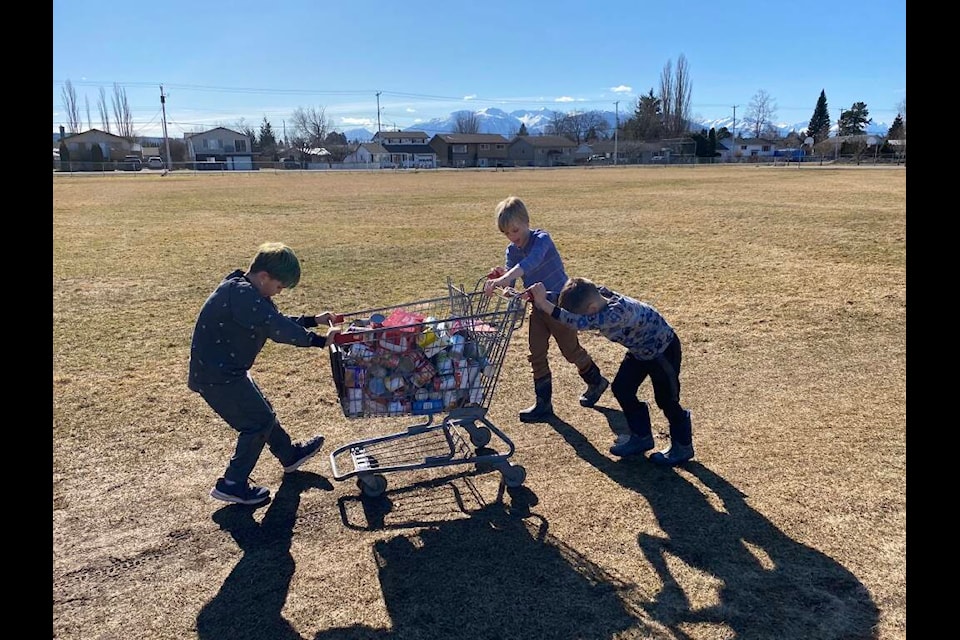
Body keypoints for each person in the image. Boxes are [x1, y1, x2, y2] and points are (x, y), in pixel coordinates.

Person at [188, 242, 342, 505]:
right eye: (280, 287)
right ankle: (232, 484)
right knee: (257, 423)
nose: (279, 293)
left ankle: (289, 456)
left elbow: (273, 319)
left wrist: (311, 320)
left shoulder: (244, 290)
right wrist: (318, 341)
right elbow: (275, 326)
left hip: (226, 370)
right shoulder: (242, 295)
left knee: (263, 412)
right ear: (263, 277)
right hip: (217, 376)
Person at [525, 277, 694, 465]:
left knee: (666, 400)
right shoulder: (601, 295)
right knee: (622, 388)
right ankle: (641, 437)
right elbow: (575, 300)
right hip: (640, 350)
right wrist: (546, 296)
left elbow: (575, 322)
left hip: (663, 350)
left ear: (591, 310)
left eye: (585, 314)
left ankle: (683, 446)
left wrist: (543, 303)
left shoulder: (612, 317)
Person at [483, 196, 608, 423]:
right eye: (507, 234)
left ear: (526, 222)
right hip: (537, 308)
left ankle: (596, 381)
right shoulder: (512, 251)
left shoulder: (542, 239)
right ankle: (543, 404)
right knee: (536, 353)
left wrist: (506, 277)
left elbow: (529, 264)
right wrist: (501, 279)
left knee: (571, 352)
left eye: (515, 230)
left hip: (559, 306)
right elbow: (511, 285)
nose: (513, 237)